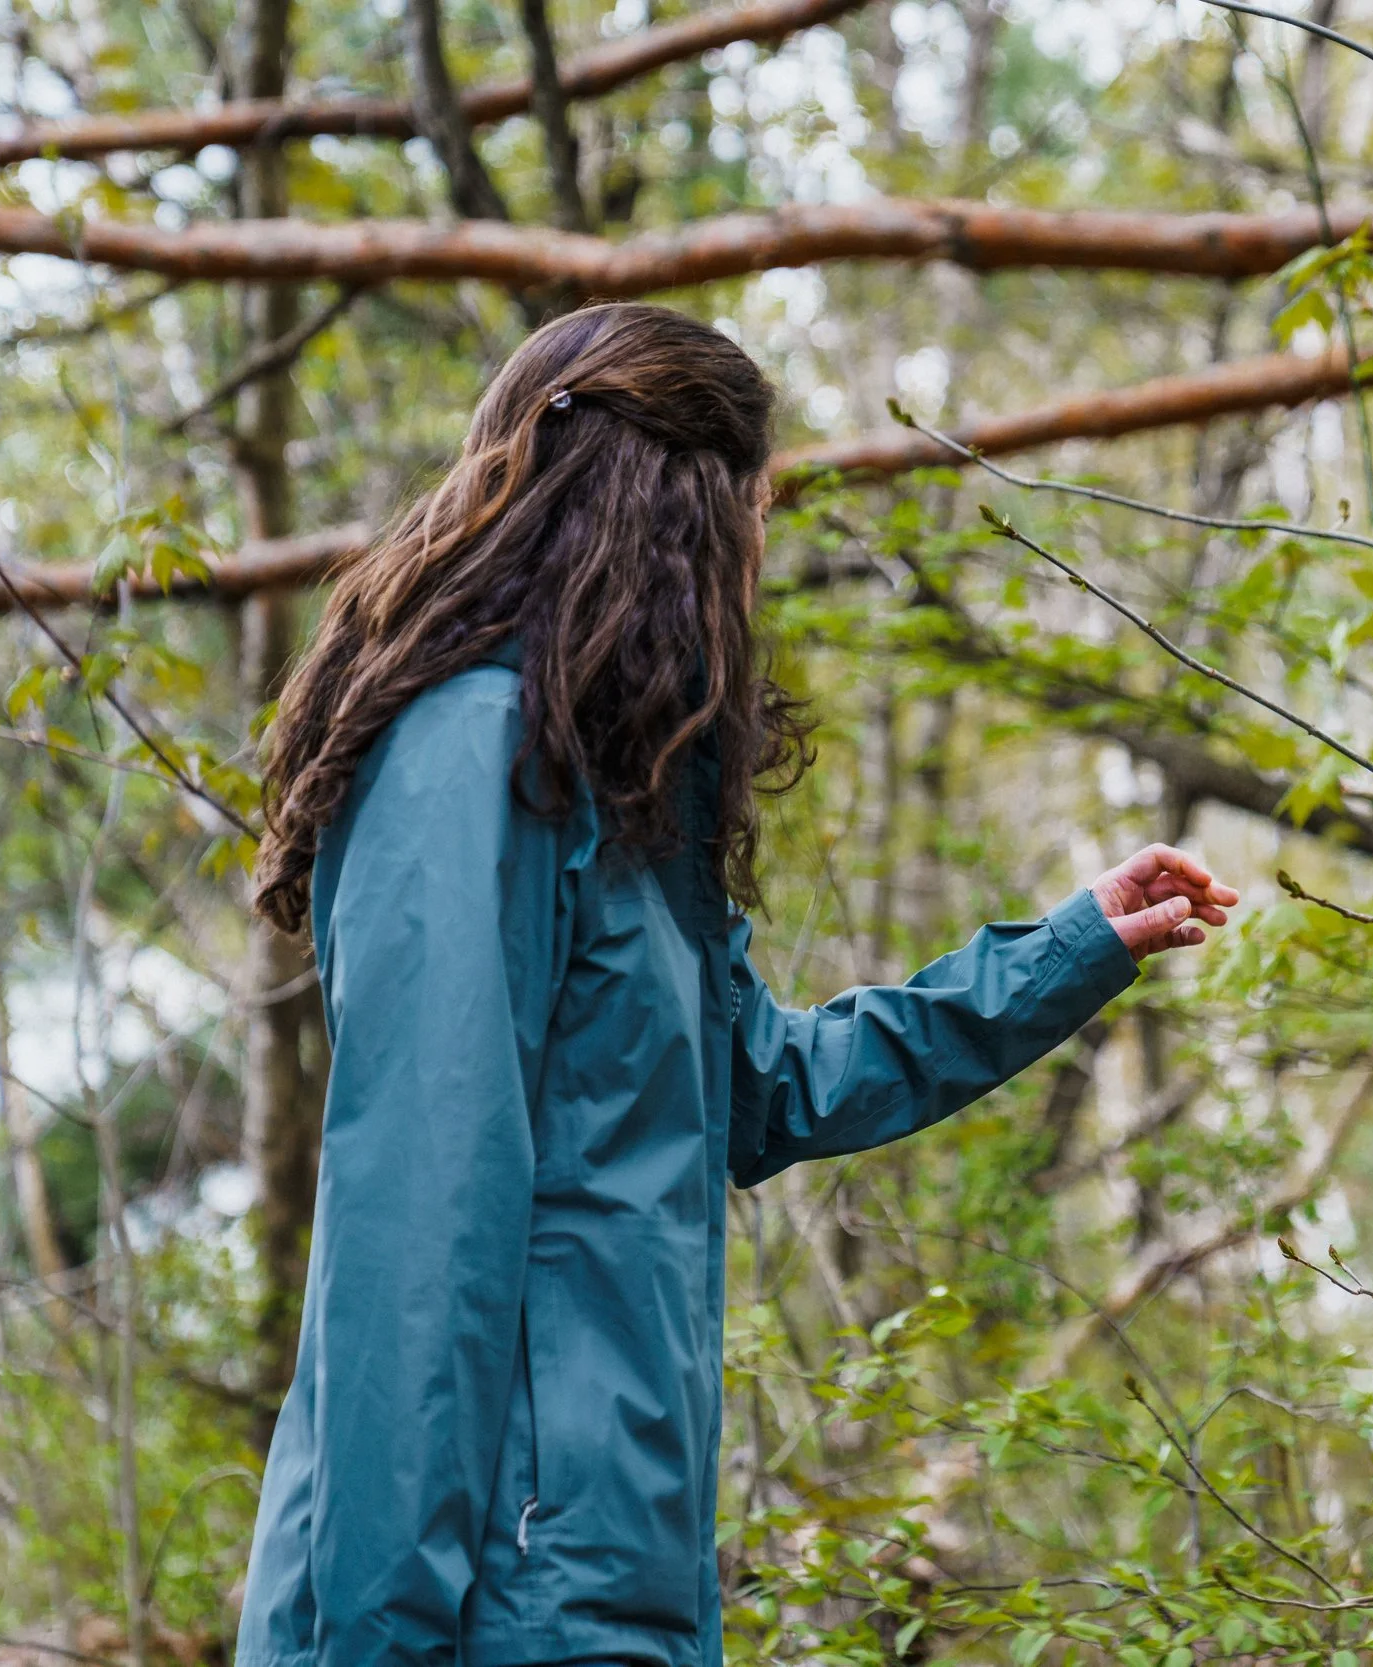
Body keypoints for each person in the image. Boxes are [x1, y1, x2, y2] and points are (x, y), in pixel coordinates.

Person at [234, 302, 1237, 1667]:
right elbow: (418, 1232)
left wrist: (1069, 950)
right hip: (481, 1610)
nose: (758, 559)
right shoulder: (468, 759)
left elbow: (756, 1088)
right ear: (673, 511)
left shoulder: (621, 797)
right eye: (752, 513)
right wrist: (376, 1639)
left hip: (612, 1596)